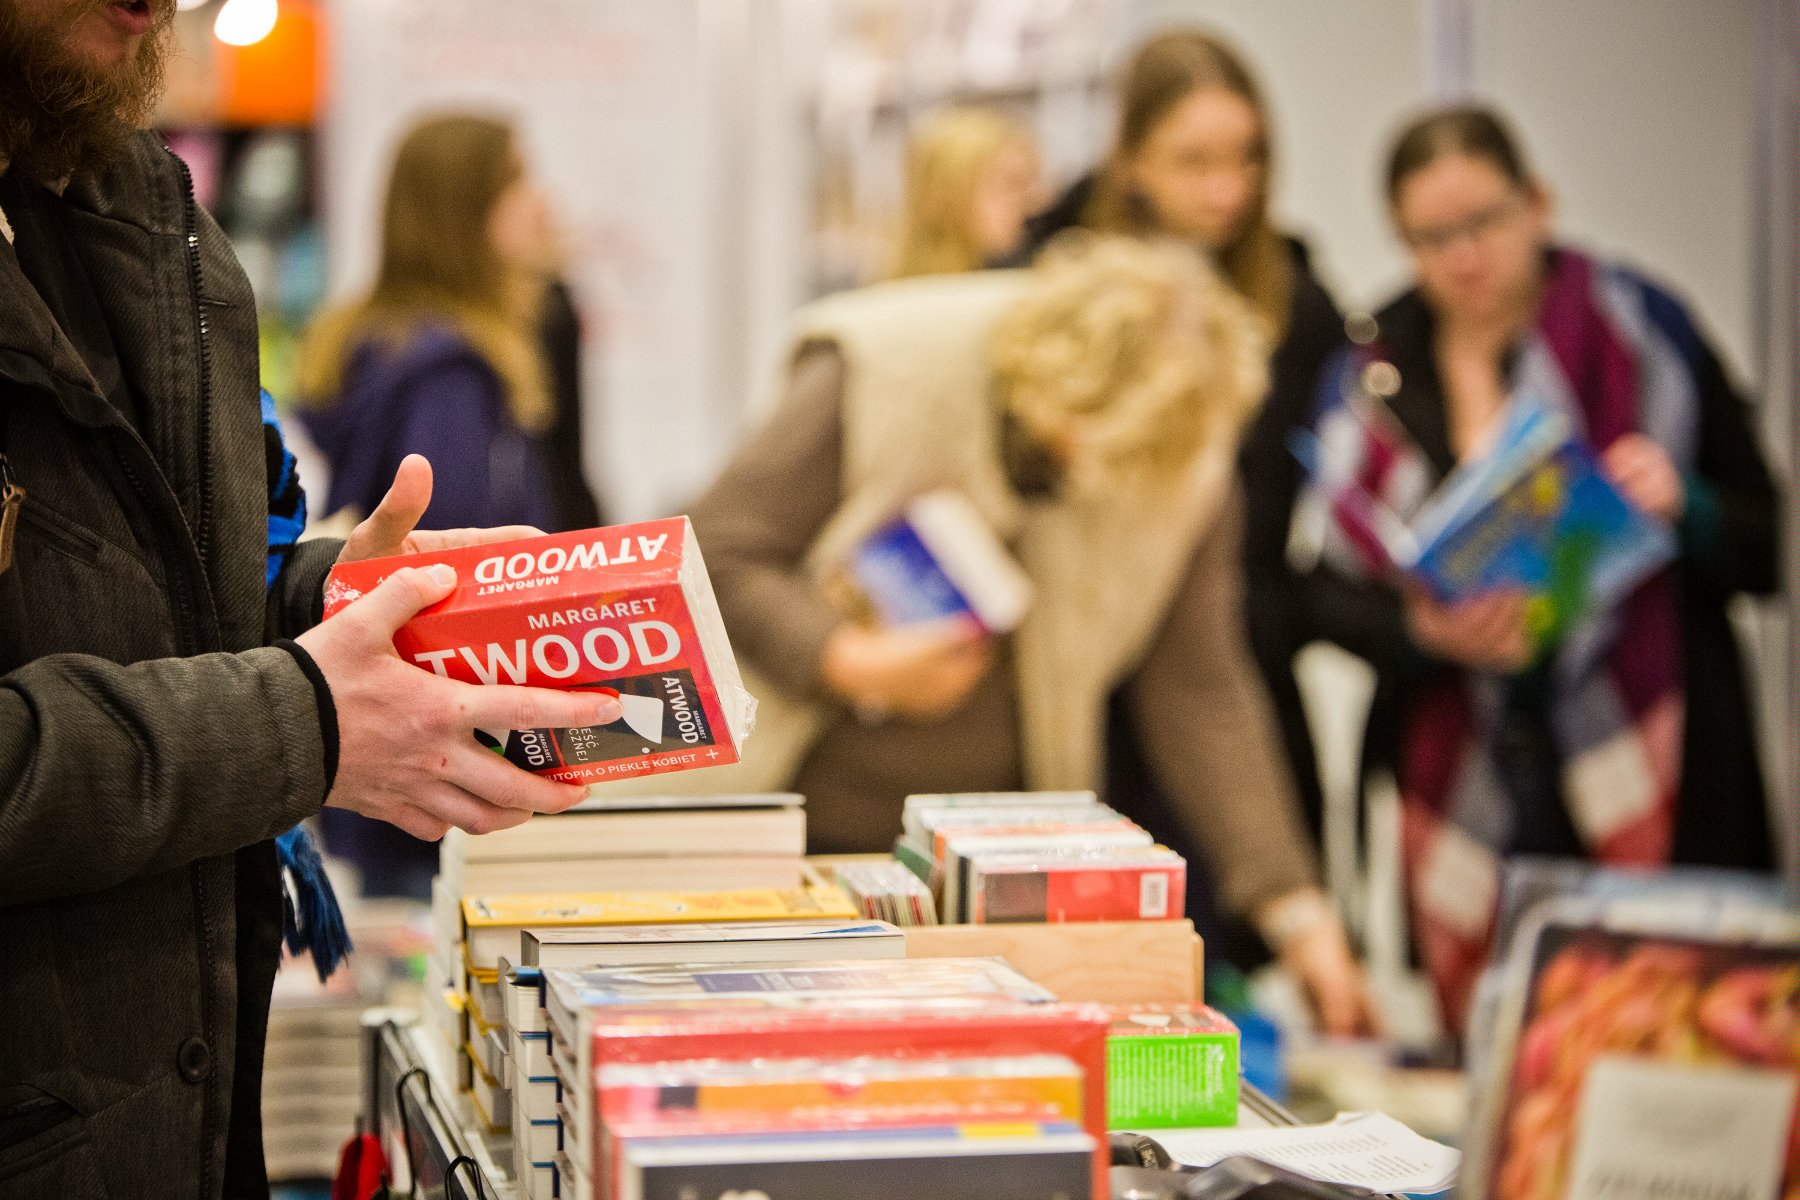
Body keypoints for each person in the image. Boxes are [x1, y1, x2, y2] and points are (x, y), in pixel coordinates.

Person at [0, 4, 620, 1195]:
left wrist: (336, 597)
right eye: (520, 178)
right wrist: (309, 718)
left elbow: (129, 606)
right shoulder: (443, 354)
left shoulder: (126, 219)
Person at [690, 235, 1374, 1036]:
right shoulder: (885, 365)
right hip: (794, 837)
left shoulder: (1188, 447)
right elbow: (717, 548)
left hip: (987, 871)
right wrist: (852, 661)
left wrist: (1294, 907)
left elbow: (1201, 687)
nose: (1104, 480)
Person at [1286, 106, 1780, 1029]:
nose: (1463, 257)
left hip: (1655, 747)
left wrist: (1686, 507)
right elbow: (1314, 592)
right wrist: (1420, 629)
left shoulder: (1639, 330)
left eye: (1484, 223)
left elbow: (1769, 541)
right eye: (1432, 238)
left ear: (1537, 204)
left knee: (1675, 1043)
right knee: (1509, 1065)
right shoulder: (1376, 368)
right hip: (1470, 773)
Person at [1010, 27, 1345, 967]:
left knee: (1224, 940)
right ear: (1132, 162)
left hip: (1234, 652)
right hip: (1088, 662)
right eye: (1194, 159)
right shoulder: (1049, 283)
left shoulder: (1299, 299)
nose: (1225, 187)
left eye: (1246, 158)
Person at [299, 114, 562, 534]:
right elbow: (455, 549)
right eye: (515, 180)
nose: (540, 201)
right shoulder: (448, 375)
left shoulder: (367, 335)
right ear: (461, 208)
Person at [888, 104, 1044, 279]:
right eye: (1012, 185)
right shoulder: (898, 297)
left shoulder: (1024, 267)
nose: (1034, 201)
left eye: (1032, 182)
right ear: (947, 197)